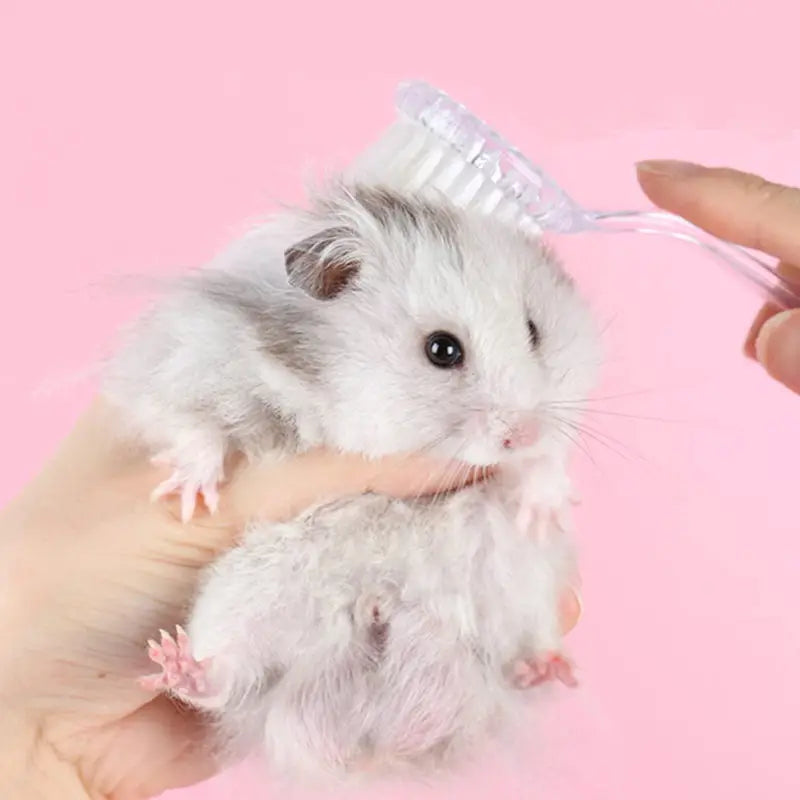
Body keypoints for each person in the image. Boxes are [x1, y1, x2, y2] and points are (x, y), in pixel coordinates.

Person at [1, 161, 798, 800]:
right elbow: (175, 392)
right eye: (444, 352)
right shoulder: (247, 346)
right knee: (264, 578)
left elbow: (530, 439)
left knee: (500, 562)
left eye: (527, 335)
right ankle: (219, 671)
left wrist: (537, 476)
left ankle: (517, 657)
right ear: (328, 285)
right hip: (294, 580)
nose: (515, 415)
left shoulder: (514, 403)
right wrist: (198, 445)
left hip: (409, 613)